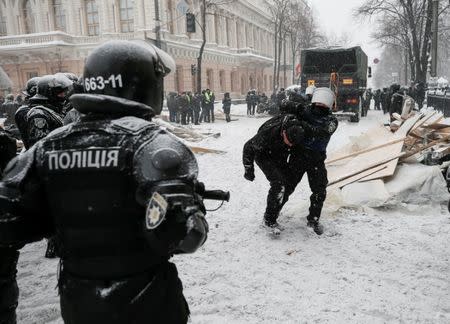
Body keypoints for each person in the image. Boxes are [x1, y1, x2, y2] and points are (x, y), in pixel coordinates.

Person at [0, 40, 210, 324]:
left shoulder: (47, 147)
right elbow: (184, 237)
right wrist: (189, 204)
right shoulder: (152, 143)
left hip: (80, 301)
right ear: (146, 84)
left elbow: (8, 224)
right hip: (147, 301)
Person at [242, 87, 338, 236]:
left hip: (317, 159)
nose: (320, 107)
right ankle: (271, 217)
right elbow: (284, 105)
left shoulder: (331, 120)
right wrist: (294, 106)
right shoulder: (305, 110)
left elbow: (322, 132)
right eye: (319, 103)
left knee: (319, 189)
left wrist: (302, 124)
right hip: (298, 156)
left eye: (324, 105)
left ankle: (313, 220)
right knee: (285, 186)